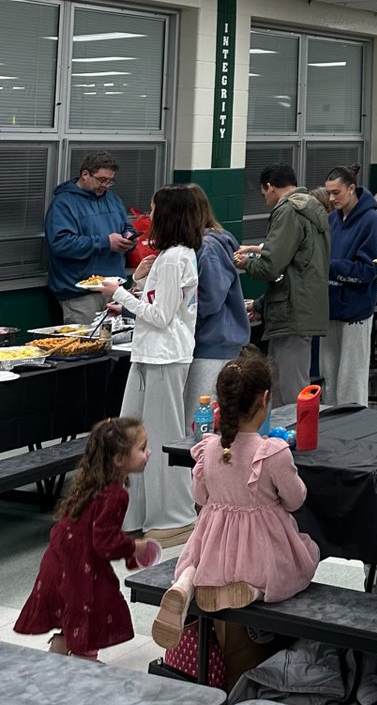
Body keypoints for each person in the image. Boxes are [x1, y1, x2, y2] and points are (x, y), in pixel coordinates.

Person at [151, 353, 319, 650]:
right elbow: (295, 501)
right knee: (300, 562)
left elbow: (199, 497)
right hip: (261, 548)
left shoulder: (209, 448)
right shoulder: (273, 451)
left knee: (195, 560)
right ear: (264, 400)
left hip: (212, 547)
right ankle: (252, 589)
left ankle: (184, 585)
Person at [102, 184, 202, 541]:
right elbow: (159, 304)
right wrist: (140, 280)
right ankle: (135, 514)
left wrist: (121, 294)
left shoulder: (177, 258)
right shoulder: (170, 257)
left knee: (159, 439)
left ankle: (174, 515)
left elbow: (160, 316)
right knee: (131, 435)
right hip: (149, 353)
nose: (150, 214)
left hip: (166, 355)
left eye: (154, 208)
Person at [15, 417, 151, 658]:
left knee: (71, 614)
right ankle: (84, 668)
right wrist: (133, 547)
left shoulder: (92, 483)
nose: (148, 453)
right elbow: (104, 543)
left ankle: (57, 661)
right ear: (119, 460)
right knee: (90, 615)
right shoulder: (116, 495)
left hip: (59, 561)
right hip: (81, 570)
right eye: (142, 448)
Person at [235, 165, 331, 406]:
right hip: (300, 307)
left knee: (290, 393)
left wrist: (246, 264)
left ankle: (296, 441)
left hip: (292, 312)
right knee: (286, 385)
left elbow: (272, 266)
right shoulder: (312, 207)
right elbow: (295, 268)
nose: (264, 199)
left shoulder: (288, 211)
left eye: (263, 193)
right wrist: (261, 303)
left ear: (270, 187)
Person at [181, 184, 250, 426]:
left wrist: (172, 308)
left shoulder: (208, 248)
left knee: (199, 423)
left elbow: (209, 300)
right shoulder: (201, 245)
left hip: (212, 347)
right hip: (210, 344)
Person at [45, 150, 133, 324]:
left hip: (114, 289)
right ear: (85, 174)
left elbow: (126, 226)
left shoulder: (114, 200)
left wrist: (129, 237)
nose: (106, 185)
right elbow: (60, 244)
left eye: (110, 181)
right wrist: (105, 242)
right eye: (101, 180)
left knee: (118, 345)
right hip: (80, 293)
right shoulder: (63, 204)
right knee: (85, 345)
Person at [321, 165, 377, 407]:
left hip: (356, 310)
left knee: (351, 378)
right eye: (328, 193)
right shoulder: (332, 220)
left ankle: (355, 426)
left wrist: (332, 267)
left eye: (336, 192)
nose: (331, 198)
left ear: (351, 188)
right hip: (331, 307)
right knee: (330, 376)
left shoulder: (371, 221)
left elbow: (370, 269)